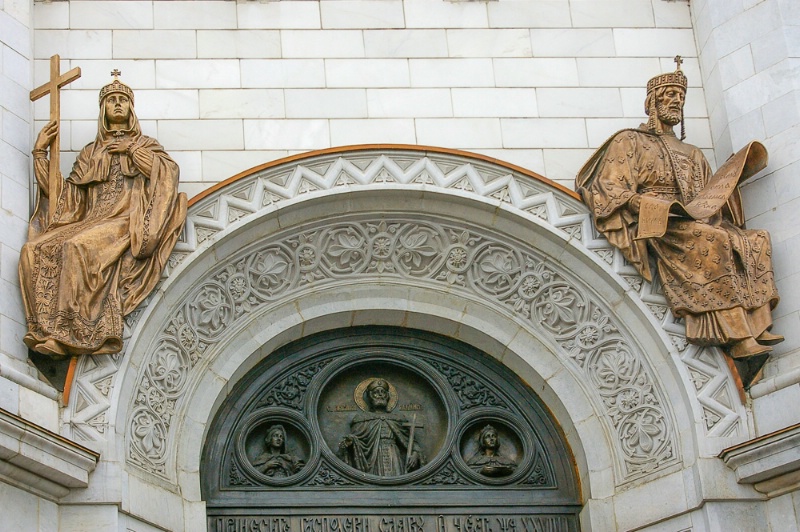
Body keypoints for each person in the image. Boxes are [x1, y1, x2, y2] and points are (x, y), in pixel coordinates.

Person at [576, 58, 781, 371]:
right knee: (712, 241)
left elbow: (707, 198)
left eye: (680, 98)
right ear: (653, 103)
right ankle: (740, 337)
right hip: (658, 220)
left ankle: (758, 324)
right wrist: (644, 205)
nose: (676, 102)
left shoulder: (693, 153)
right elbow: (610, 186)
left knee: (755, 239)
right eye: (668, 96)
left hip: (695, 218)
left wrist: (729, 184)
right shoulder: (629, 140)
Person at [19, 74, 187, 357]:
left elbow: (167, 175)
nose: (118, 105)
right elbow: (66, 198)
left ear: (131, 110)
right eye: (112, 101)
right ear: (104, 111)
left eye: (123, 101)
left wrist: (131, 149)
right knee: (33, 249)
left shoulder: (146, 144)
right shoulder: (90, 152)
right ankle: (43, 329)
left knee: (76, 247)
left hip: (125, 220)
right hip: (91, 218)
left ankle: (69, 330)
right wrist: (40, 153)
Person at [338, 378, 425, 476]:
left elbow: (411, 441)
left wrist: (415, 454)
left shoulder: (397, 418)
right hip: (373, 457)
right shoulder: (362, 419)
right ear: (370, 396)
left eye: (383, 392)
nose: (380, 395)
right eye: (376, 392)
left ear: (387, 396)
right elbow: (357, 441)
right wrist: (350, 441)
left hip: (393, 454)